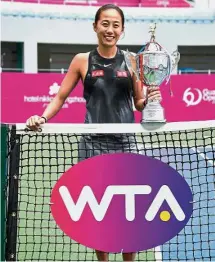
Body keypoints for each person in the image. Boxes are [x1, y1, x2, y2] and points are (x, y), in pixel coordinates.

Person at [26, 4, 161, 261]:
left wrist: (151, 100)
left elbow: (139, 102)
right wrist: (41, 117)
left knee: (127, 212)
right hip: (93, 145)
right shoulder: (81, 60)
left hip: (125, 144)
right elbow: (60, 97)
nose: (110, 29)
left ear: (122, 30)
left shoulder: (132, 60)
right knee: (99, 213)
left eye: (116, 25)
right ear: (95, 26)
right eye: (105, 23)